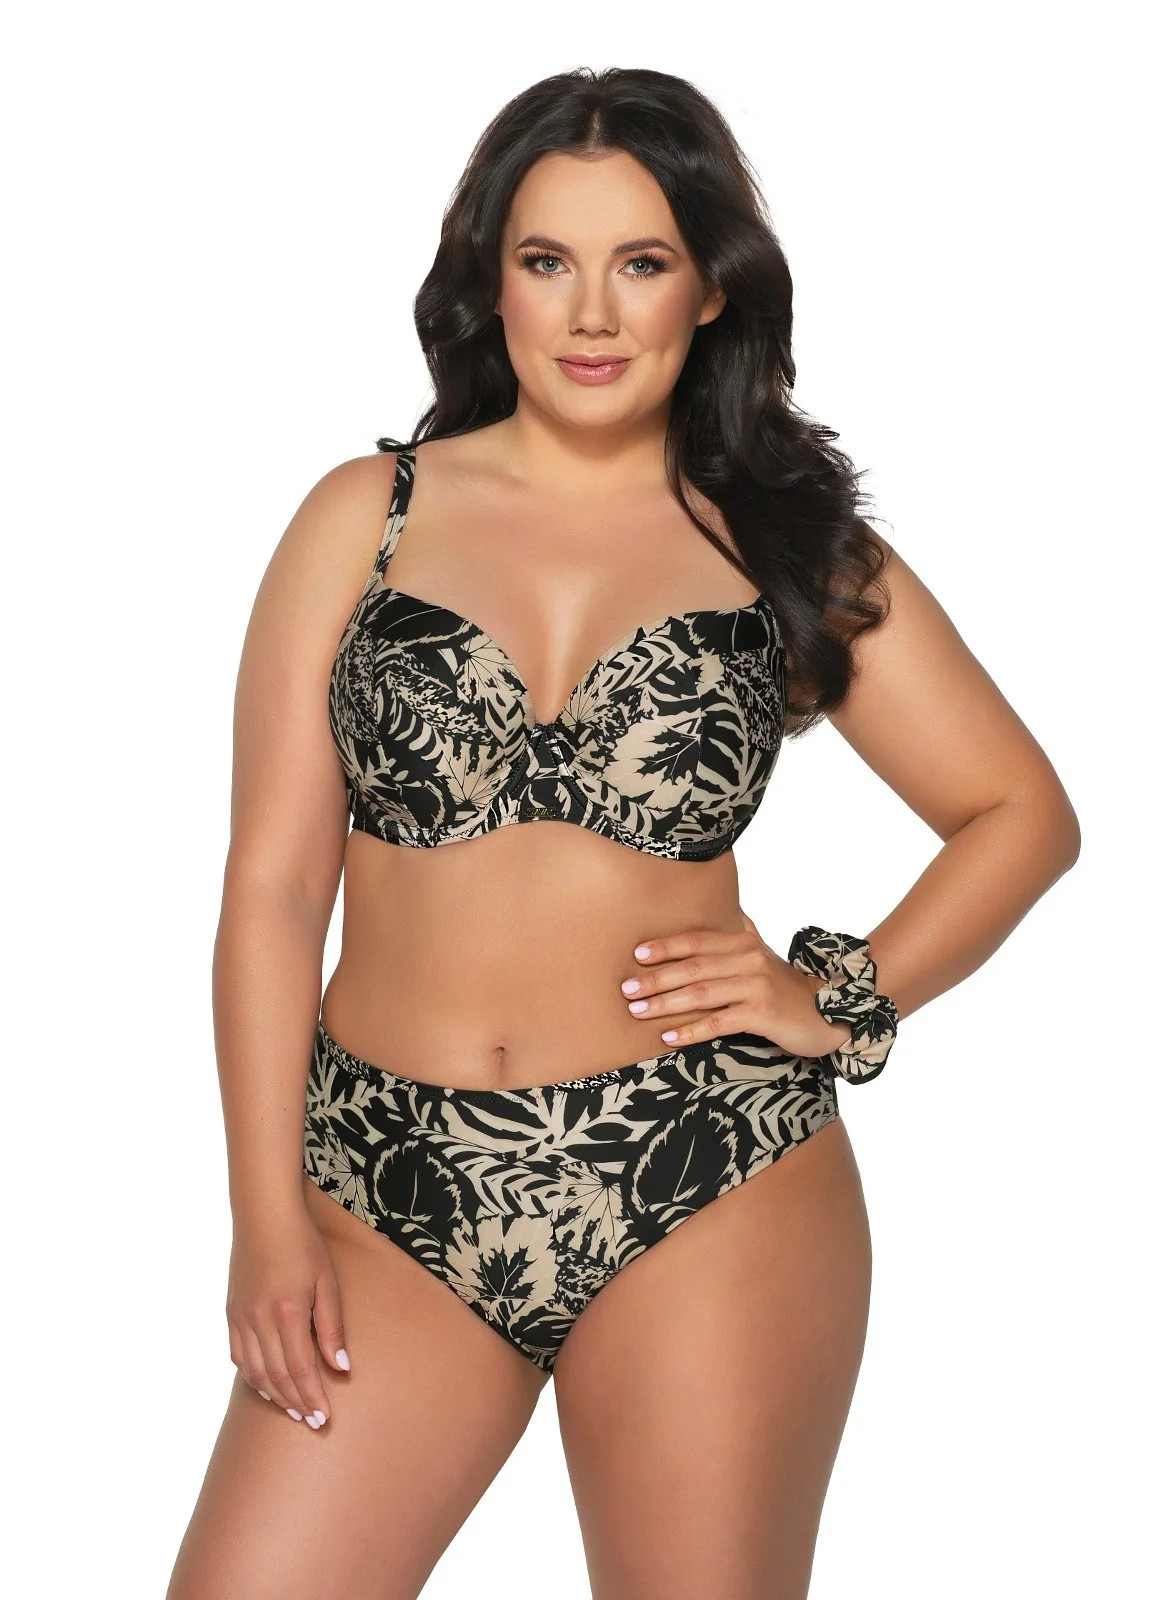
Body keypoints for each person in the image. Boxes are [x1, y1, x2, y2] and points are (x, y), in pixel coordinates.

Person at [166, 65, 1080, 1600]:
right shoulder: (363, 516)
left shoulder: (782, 545)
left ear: (709, 289)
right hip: (385, 1194)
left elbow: (1019, 813)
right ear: (491, 282)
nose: (592, 313)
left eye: (640, 262)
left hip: (706, 1177)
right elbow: (270, 889)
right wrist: (267, 1220)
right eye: (548, 261)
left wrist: (834, 994)